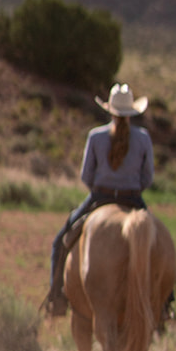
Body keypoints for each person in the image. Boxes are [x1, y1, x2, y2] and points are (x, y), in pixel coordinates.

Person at [44, 83, 155, 316]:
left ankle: (57, 297)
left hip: (99, 198)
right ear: (132, 112)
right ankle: (164, 304)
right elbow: (148, 177)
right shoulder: (143, 138)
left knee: (61, 241)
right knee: (157, 245)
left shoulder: (96, 136)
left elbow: (86, 176)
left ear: (110, 110)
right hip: (133, 199)